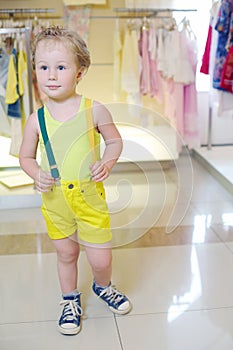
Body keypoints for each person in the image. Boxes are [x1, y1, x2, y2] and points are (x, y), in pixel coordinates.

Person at [19, 26, 132, 336]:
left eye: (61, 67)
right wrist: (35, 173)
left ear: (80, 72)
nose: (51, 75)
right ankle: (70, 299)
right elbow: (25, 157)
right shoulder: (36, 119)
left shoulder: (93, 110)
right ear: (36, 70)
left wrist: (107, 162)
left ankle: (102, 285)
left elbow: (115, 142)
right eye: (43, 67)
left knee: (100, 258)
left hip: (90, 200)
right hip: (56, 203)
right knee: (66, 254)